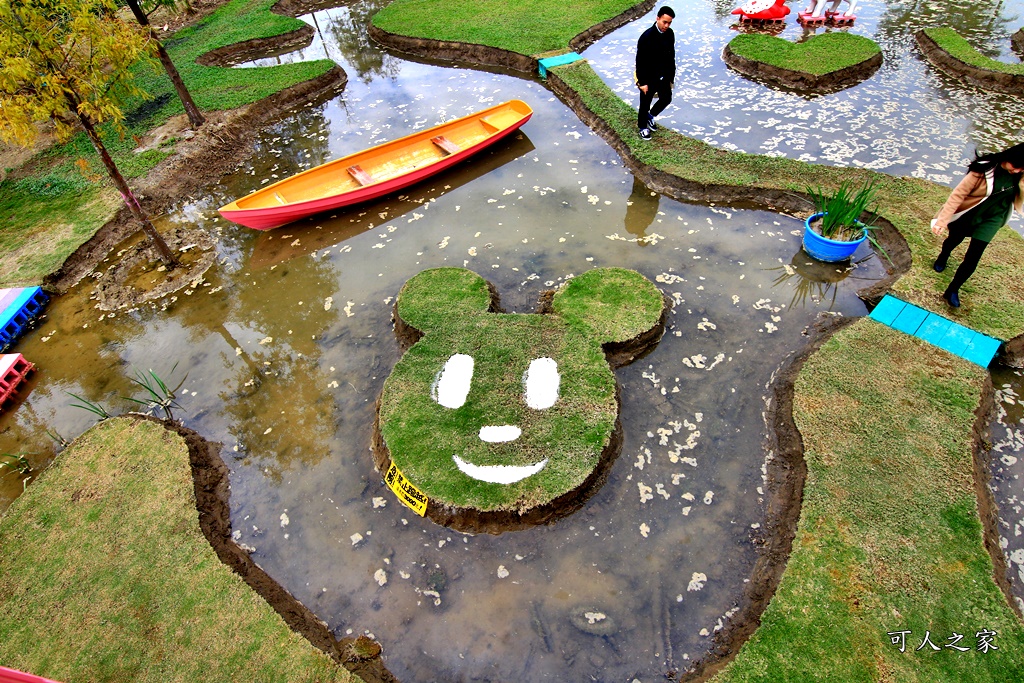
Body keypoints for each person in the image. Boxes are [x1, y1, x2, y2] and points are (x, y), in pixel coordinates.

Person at [931, 143, 1024, 308]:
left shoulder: (1021, 175)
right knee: (954, 239)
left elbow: (1019, 201)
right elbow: (958, 194)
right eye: (1015, 166)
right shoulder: (983, 170)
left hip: (993, 218)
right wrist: (942, 221)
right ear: (1008, 157)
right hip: (970, 212)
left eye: (1021, 169)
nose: (1016, 171)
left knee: (974, 256)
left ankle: (953, 289)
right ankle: (944, 255)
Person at [635, 6, 675, 141]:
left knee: (666, 99)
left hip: (664, 75)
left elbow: (671, 56)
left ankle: (650, 116)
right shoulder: (646, 37)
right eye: (664, 22)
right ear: (657, 18)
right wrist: (642, 82)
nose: (667, 25)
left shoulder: (670, 34)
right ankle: (642, 127)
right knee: (645, 103)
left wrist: (671, 76)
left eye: (669, 23)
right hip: (649, 76)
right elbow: (640, 61)